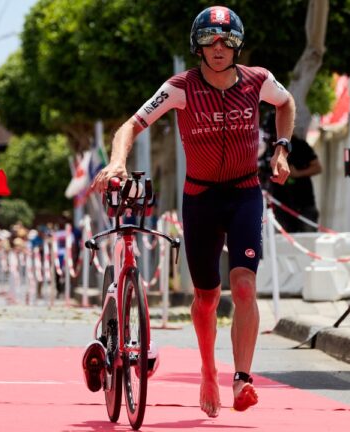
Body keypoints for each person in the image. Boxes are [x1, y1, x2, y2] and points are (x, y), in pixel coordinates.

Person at [90, 6, 294, 417]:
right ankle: (206, 369)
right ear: (197, 45)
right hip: (200, 198)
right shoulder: (181, 87)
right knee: (206, 297)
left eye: (226, 41)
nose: (217, 48)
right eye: (209, 40)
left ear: (237, 44)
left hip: (244, 193)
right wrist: (116, 162)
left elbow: (286, 103)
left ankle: (242, 379)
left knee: (243, 286)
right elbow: (130, 125)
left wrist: (282, 148)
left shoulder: (258, 80)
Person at [262, 111, 322, 232]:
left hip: (304, 203)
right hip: (280, 205)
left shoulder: (300, 145)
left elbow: (317, 167)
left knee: (307, 239)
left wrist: (298, 174)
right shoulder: (267, 148)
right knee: (283, 242)